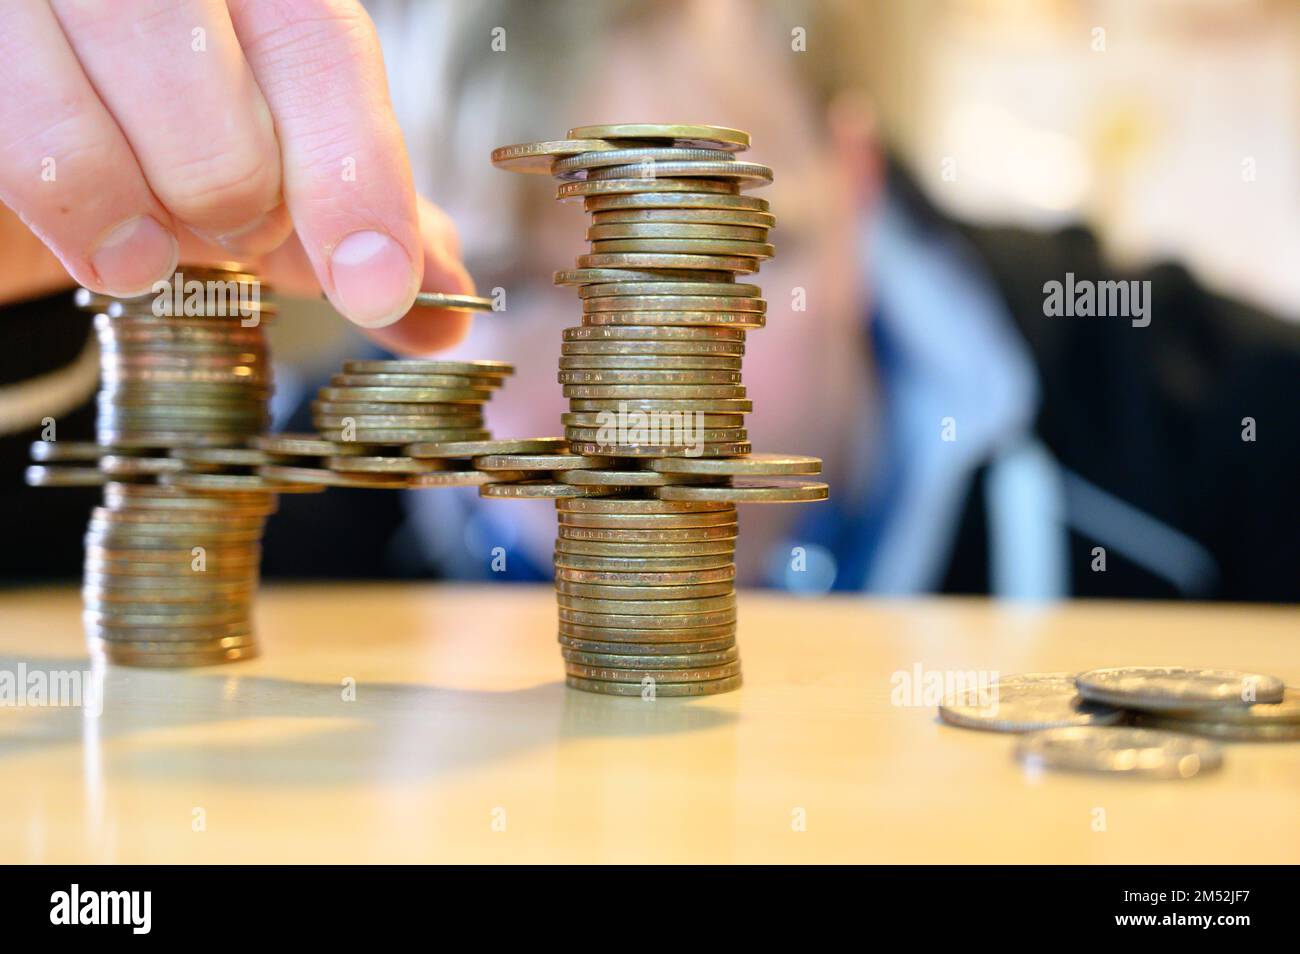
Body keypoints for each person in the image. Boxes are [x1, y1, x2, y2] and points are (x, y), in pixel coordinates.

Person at [3, 0, 1298, 603]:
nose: (608, 403)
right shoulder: (274, 499)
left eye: (711, 263)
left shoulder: (1195, 424)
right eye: (508, 285)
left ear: (855, 182)